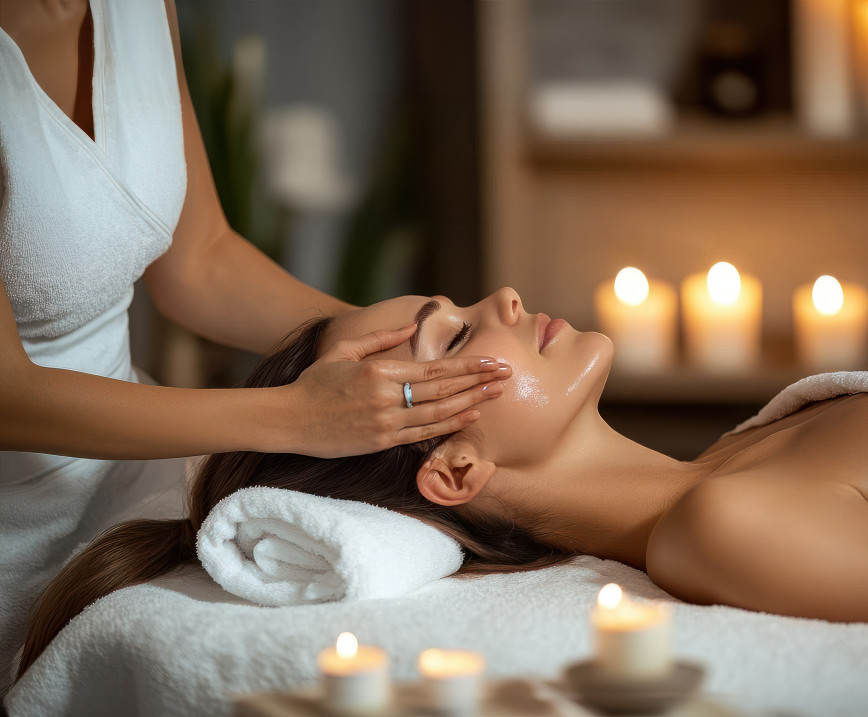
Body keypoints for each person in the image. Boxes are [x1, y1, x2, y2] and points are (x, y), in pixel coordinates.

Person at [18, 288, 868, 682]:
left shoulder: (738, 461)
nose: (504, 300)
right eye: (457, 340)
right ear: (454, 470)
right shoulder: (733, 524)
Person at [0, 0, 509, 688]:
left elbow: (201, 263)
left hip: (124, 479)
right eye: (453, 328)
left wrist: (395, 346)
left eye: (458, 327)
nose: (505, 304)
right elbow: (9, 394)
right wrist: (302, 416)